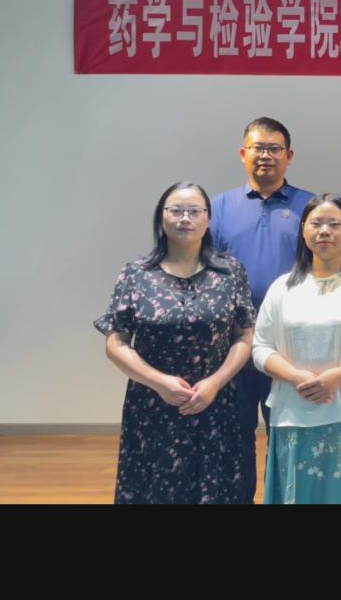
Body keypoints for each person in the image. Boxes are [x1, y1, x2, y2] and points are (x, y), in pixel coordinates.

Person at [95, 181, 254, 504]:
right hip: (153, 404)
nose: (185, 218)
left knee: (217, 488)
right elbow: (116, 342)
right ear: (161, 217)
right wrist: (159, 382)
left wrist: (215, 382)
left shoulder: (230, 272)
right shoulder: (136, 274)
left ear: (207, 220)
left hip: (216, 403)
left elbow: (245, 336)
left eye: (194, 211)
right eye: (176, 210)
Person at [252, 194, 341, 504]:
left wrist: (337, 377)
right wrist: (296, 377)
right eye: (316, 223)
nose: (324, 231)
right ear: (303, 230)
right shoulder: (282, 288)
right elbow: (261, 347)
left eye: (335, 224)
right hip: (293, 409)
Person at [210, 116, 314, 503]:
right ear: (243, 153)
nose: (266, 155)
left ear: (289, 156)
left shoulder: (309, 206)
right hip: (231, 343)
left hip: (288, 343)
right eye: (258, 148)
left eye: (274, 149)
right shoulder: (219, 207)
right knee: (234, 435)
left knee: (285, 433)